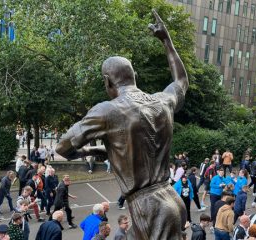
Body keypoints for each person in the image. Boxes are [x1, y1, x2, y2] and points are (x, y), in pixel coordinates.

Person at [55, 10, 189, 239]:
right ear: (134, 76)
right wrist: (166, 40)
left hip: (149, 208)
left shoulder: (108, 110)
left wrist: (89, 149)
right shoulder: (161, 101)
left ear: (107, 82)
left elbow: (63, 147)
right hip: (171, 199)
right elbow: (181, 81)